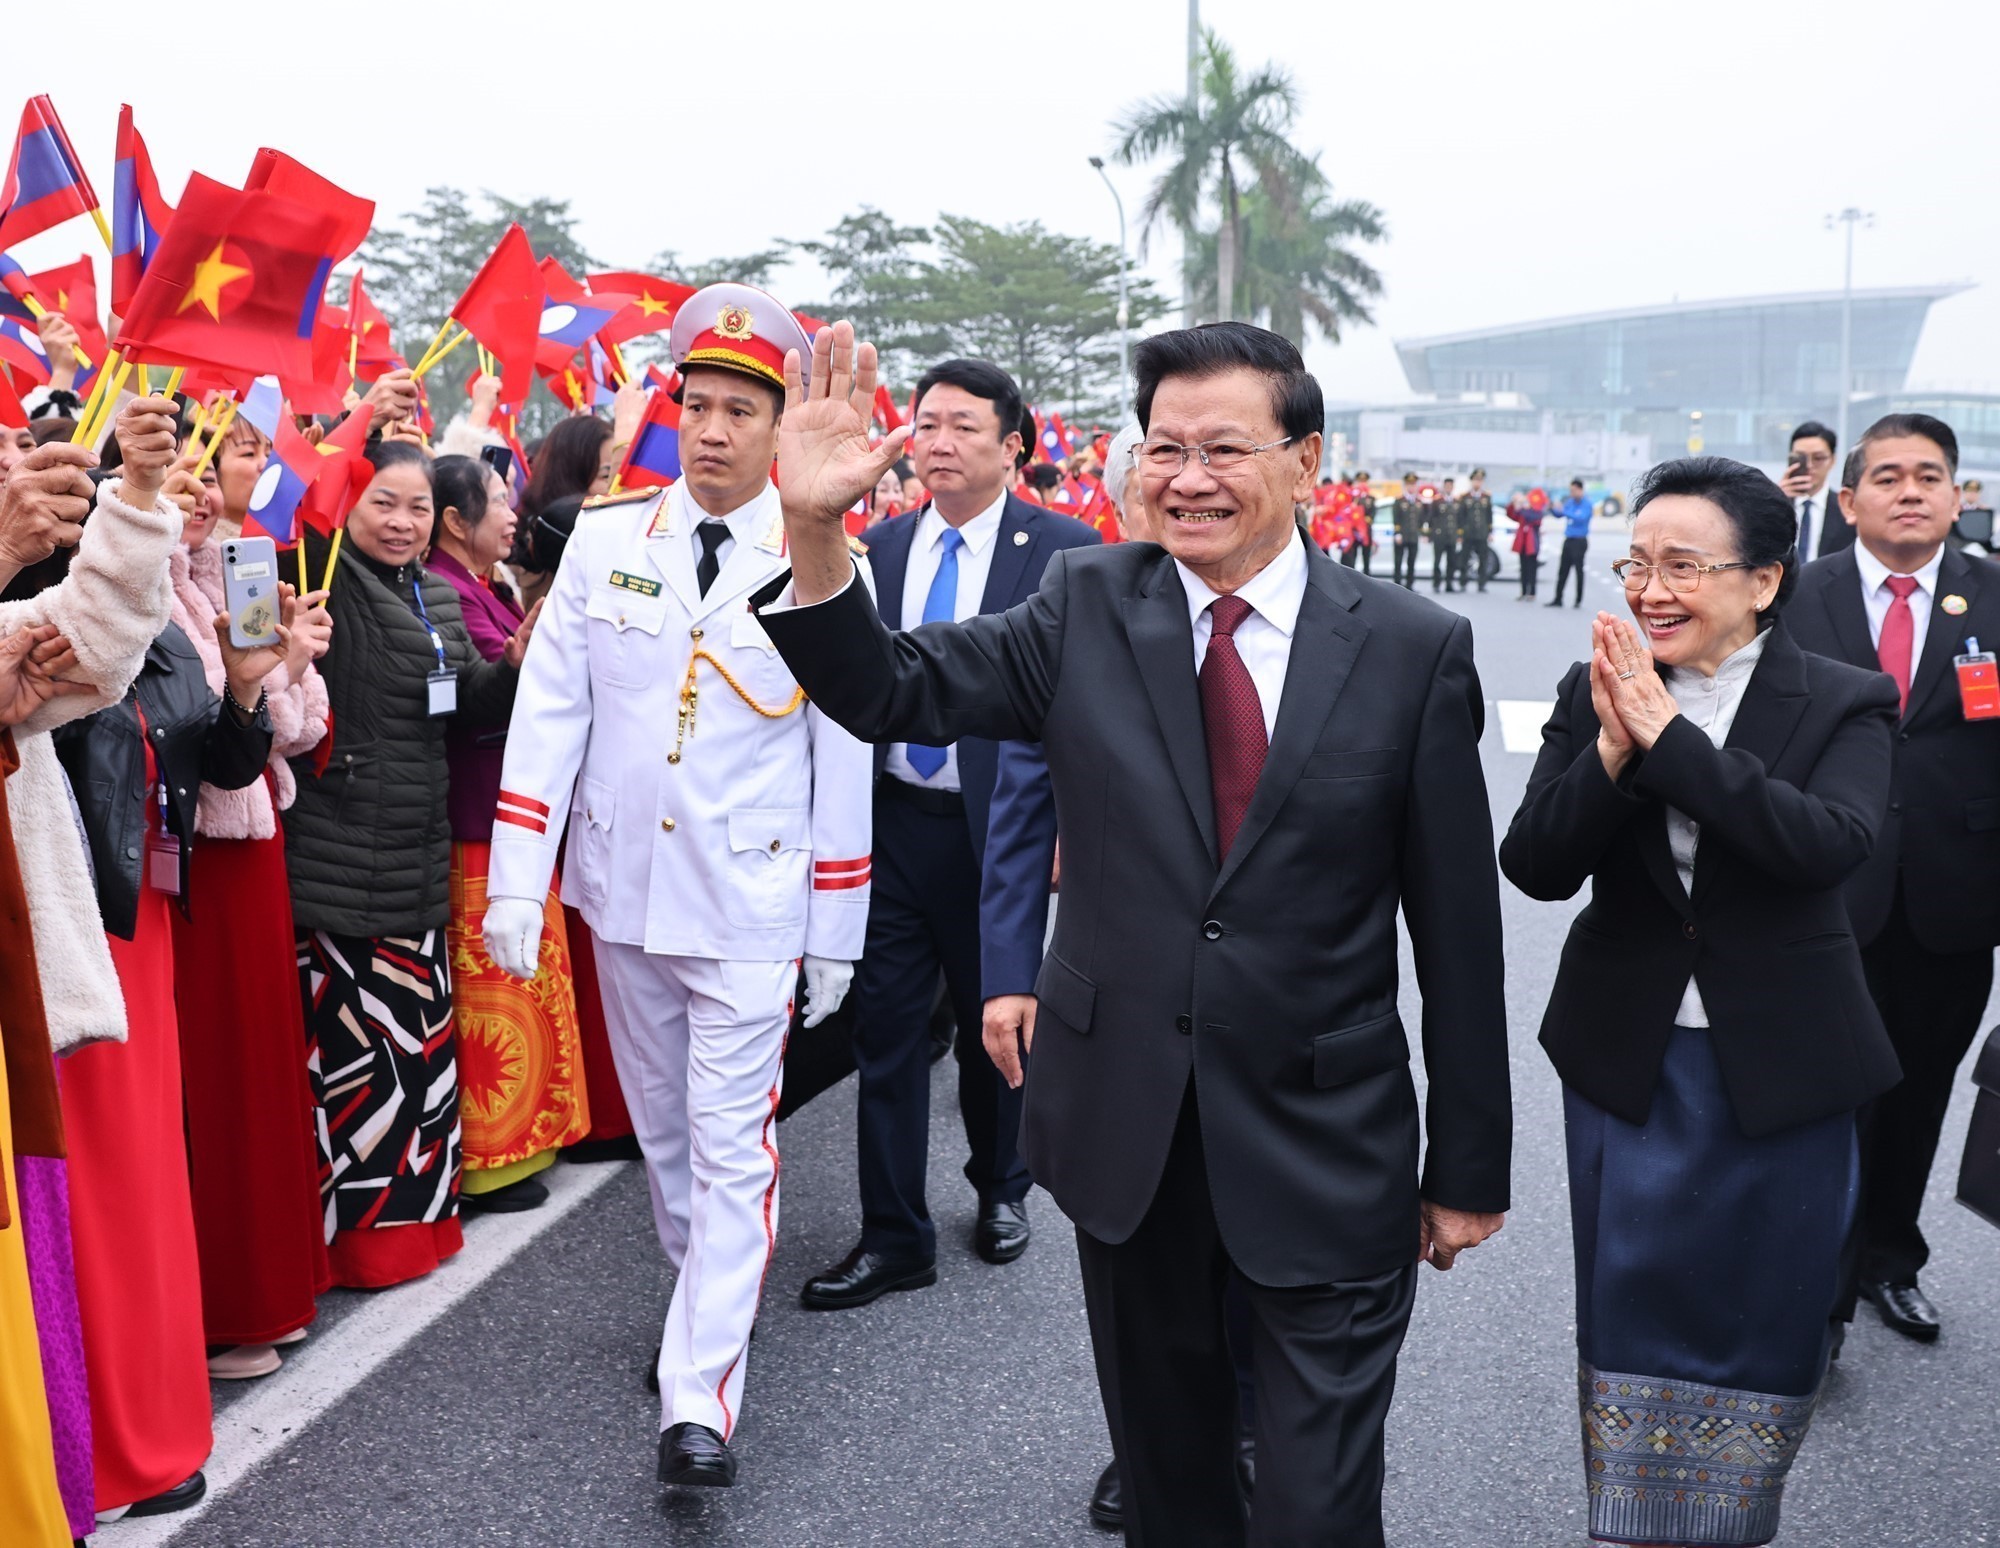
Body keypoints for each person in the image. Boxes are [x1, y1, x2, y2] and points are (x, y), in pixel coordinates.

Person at [754, 319, 1511, 1545]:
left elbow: (1457, 926)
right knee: (1173, 1494)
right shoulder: (1085, 603)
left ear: (1305, 461)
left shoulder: (1411, 648)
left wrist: (1470, 1163)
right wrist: (813, 527)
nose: (1188, 477)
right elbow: (891, 688)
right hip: (1131, 1139)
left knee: (1318, 1510)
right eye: (1165, 447)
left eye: (1224, 447)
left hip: (1326, 1145)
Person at [480, 283, 874, 1491]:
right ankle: (701, 1298)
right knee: (667, 1146)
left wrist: (835, 928)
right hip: (625, 896)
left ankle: (698, 1397)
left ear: (776, 430)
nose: (710, 430)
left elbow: (846, 744)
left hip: (752, 904)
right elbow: (550, 715)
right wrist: (516, 884)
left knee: (732, 1150)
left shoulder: (819, 560)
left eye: (738, 411)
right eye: (694, 405)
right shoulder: (609, 542)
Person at [1501, 456, 1898, 1546]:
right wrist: (1613, 752)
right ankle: (1631, 1519)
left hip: (1783, 1064)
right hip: (1629, 1057)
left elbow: (1825, 849)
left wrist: (1671, 748)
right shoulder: (1605, 689)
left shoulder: (1844, 699)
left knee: (1763, 1312)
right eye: (1636, 563)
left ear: (1762, 581)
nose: (1648, 589)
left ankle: (1727, 1523)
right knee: (1630, 1302)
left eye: (1682, 565)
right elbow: (1533, 861)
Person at [797, 359, 1099, 1314]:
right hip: (889, 828)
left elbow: (1077, 711)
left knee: (993, 1026)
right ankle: (893, 1234)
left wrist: (1064, 832)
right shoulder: (873, 549)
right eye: (925, 423)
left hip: (998, 834)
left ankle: (1001, 1185)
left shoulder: (1064, 553)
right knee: (883, 1035)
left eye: (964, 426)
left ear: (1014, 446)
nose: (938, 441)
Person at [53, 405, 299, 1521]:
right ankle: (95, 1436)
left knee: (149, 1178)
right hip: (73, 918)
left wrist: (248, 680)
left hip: (146, 917)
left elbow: (223, 760)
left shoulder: (165, 612)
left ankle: (154, 1422)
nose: (190, 492)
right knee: (93, 1187)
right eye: (156, 474)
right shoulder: (54, 610)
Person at [286, 439, 536, 1290]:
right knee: (362, 1072)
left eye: (418, 507)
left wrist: (510, 662)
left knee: (421, 1063)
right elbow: (312, 496)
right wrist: (355, 422)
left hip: (417, 861)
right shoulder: (329, 578)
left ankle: (420, 1230)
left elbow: (465, 704)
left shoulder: (432, 591)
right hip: (342, 862)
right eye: (382, 503)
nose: (401, 523)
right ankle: (361, 1249)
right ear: (350, 507)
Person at [1785, 412, 2000, 1346]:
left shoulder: (1993, 596)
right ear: (1850, 499)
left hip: (1955, 900)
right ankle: (1817, 1294)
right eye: (1888, 477)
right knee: (1830, 1097)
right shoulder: (1798, 594)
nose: (1910, 491)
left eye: (1929, 476)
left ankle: (1890, 1260)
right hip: (1828, 891)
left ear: (1960, 496)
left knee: (1919, 1094)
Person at [165, 437, 335, 1381]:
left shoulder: (219, 580)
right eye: (180, 472)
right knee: (221, 1080)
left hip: (252, 844)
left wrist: (293, 659)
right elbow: (211, 729)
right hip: (197, 863)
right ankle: (230, 1302)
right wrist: (264, 678)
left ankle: (272, 1286)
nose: (197, 495)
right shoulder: (144, 593)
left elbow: (296, 729)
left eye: (208, 473)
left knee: (263, 1070)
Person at [428, 456, 590, 1212]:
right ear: (455, 522)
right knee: (498, 1003)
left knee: (526, 988)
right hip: (476, 818)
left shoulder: (483, 586)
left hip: (508, 812)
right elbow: (471, 702)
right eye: (496, 500)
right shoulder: (445, 594)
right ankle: (493, 1158)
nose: (512, 512)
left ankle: (526, 1146)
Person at [1779, 419, 1852, 564]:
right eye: (1800, 458)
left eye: (1818, 458)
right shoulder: (1775, 503)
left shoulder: (1846, 509)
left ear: (1832, 460)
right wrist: (1775, 499)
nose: (1810, 465)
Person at [1548, 477, 1592, 607]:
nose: (1571, 493)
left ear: (1580, 489)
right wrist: (1552, 508)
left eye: (1573, 490)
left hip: (1580, 541)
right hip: (1568, 540)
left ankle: (1578, 600)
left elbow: (1581, 518)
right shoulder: (1570, 502)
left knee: (1579, 571)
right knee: (1563, 570)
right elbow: (1559, 515)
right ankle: (1558, 598)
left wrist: (1565, 511)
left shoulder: (1586, 504)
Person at [1459, 468, 1494, 592]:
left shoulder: (1486, 497)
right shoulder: (1465, 497)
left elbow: (1489, 516)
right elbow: (1461, 516)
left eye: (1480, 481)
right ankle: (1463, 582)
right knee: (1465, 558)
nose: (1477, 483)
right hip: (1468, 533)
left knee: (1483, 558)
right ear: (1471, 481)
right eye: (1475, 480)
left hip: (1482, 533)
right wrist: (1460, 532)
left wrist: (1490, 532)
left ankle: (1481, 583)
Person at [1428, 475, 1459, 592]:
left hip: (1451, 535)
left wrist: (1459, 534)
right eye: (1447, 486)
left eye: (1451, 486)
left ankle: (1449, 584)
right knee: (1437, 560)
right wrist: (1430, 535)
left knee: (1451, 561)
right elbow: (1432, 518)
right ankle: (1436, 583)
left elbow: (1459, 519)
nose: (1449, 488)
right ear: (1444, 487)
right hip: (1440, 535)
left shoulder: (1456, 501)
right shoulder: (1437, 501)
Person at [1390, 470, 1421, 587]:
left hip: (1413, 536)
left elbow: (1421, 519)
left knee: (1411, 561)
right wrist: (1397, 533)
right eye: (1409, 484)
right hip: (1401, 536)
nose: (1411, 487)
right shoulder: (1399, 501)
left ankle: (1410, 585)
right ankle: (1397, 584)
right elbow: (1396, 518)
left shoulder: (1419, 501)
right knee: (1398, 561)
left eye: (1413, 484)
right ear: (1405, 485)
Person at [1512, 491, 1545, 600]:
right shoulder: (1524, 511)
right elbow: (1513, 515)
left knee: (1532, 569)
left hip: (1532, 544)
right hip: (1523, 543)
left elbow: (1531, 517)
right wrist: (1516, 503)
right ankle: (1523, 591)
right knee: (1523, 569)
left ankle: (1532, 592)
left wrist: (1522, 508)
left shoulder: (1537, 512)